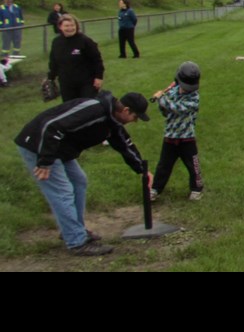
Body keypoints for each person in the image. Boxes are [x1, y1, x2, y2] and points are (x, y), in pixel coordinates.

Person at [13, 91, 153, 256]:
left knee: (79, 181)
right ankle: (76, 241)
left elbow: (124, 145)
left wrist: (142, 170)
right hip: (39, 144)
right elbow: (51, 125)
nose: (135, 121)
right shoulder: (92, 110)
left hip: (58, 149)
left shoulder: (112, 121)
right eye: (136, 117)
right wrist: (45, 161)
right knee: (62, 191)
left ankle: (73, 229)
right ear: (126, 110)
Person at [151, 62, 204, 202]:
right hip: (170, 136)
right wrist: (162, 104)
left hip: (187, 137)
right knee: (163, 165)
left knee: (193, 165)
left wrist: (162, 99)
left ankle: (196, 189)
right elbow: (166, 111)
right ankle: (155, 189)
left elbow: (176, 108)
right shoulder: (173, 92)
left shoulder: (194, 98)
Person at [49, 14, 104, 102]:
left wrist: (99, 77)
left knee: (86, 107)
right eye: (66, 26)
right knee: (70, 109)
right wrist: (51, 77)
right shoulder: (56, 42)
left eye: (72, 25)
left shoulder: (85, 41)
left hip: (86, 82)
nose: (70, 28)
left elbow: (97, 60)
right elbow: (53, 62)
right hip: (66, 83)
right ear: (60, 27)